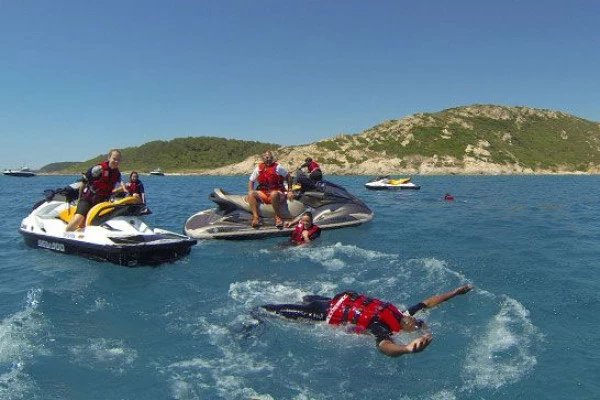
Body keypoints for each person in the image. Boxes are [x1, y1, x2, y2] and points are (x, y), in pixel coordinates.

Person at [260, 284, 474, 357]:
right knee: (305, 297)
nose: (413, 322)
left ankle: (257, 315)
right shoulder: (402, 315)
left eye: (415, 325)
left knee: (271, 310)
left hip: (322, 315)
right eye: (415, 322)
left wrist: (406, 350)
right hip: (330, 302)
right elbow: (429, 302)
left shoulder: (381, 327)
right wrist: (455, 292)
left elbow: (385, 347)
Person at [65, 149, 127, 231]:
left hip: (102, 203)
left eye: (118, 160)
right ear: (109, 158)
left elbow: (119, 183)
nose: (116, 162)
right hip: (88, 200)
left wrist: (125, 190)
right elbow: (83, 182)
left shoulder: (117, 173)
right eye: (114, 159)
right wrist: (80, 199)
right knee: (78, 219)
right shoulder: (98, 169)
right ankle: (65, 235)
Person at [247, 151, 294, 228]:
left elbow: (288, 177)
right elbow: (251, 180)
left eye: (269, 158)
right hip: (264, 193)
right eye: (266, 158)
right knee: (250, 194)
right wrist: (250, 190)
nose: (268, 159)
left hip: (278, 193)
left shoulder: (278, 167)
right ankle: (256, 217)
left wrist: (290, 191)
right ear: (263, 159)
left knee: (273, 194)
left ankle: (278, 217)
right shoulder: (259, 168)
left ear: (272, 158)